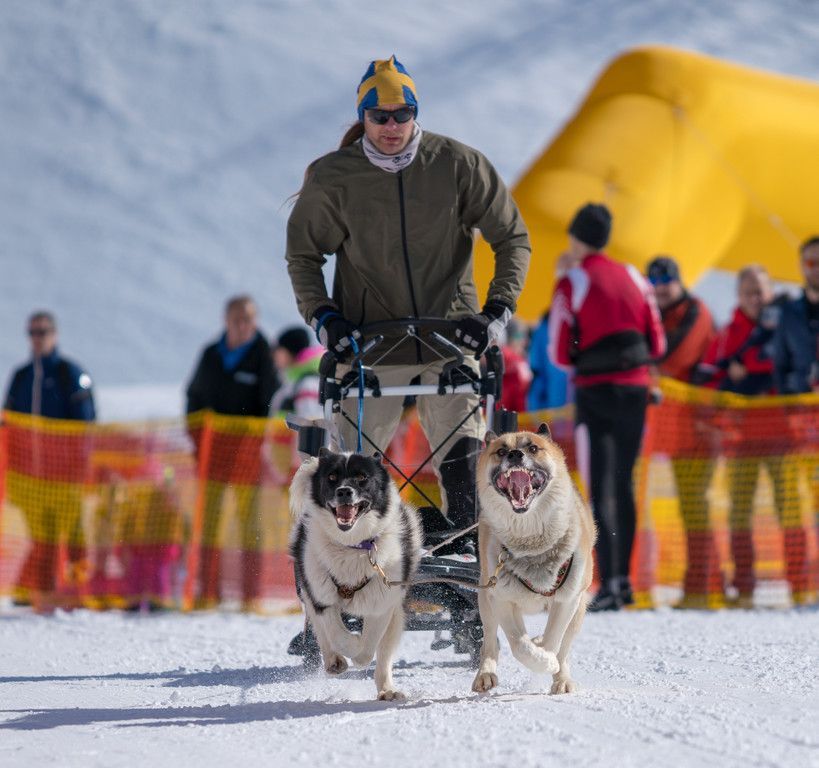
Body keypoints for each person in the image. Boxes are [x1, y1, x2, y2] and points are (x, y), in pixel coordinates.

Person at [285, 55, 530, 532]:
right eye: (379, 116)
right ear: (363, 117)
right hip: (368, 348)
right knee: (352, 478)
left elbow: (512, 237)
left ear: (416, 113)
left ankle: (461, 567)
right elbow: (303, 256)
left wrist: (494, 313)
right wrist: (325, 318)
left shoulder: (458, 165)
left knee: (463, 472)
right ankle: (356, 574)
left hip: (450, 343)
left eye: (402, 113)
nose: (391, 125)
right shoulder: (336, 178)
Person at [549, 203, 665, 611]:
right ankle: (624, 581)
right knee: (625, 482)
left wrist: (562, 281)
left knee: (600, 487)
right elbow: (657, 342)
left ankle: (608, 585)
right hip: (635, 389)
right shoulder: (634, 274)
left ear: (576, 237)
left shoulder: (573, 279)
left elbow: (560, 352)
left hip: (596, 393)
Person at [696, 265, 808, 606]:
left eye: (760, 291)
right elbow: (711, 378)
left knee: (789, 509)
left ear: (771, 292)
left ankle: (800, 582)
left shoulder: (788, 326)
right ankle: (744, 584)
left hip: (783, 435)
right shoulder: (729, 334)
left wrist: (751, 374)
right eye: (748, 292)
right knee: (739, 512)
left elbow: (792, 368)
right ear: (739, 296)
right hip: (742, 439)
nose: (755, 299)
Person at [185, 295, 277, 610]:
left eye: (248, 319)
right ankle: (207, 592)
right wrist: (196, 437)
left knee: (249, 522)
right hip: (211, 454)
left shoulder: (264, 357)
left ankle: (250, 595)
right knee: (208, 522)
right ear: (226, 321)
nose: (242, 325)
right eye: (236, 319)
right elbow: (193, 396)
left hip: (247, 455)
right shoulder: (211, 354)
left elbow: (271, 404)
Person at [3, 310, 96, 611]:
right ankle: (38, 594)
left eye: (43, 332)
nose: (37, 338)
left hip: (66, 476)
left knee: (75, 536)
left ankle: (81, 592)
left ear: (54, 334)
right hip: (32, 478)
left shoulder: (70, 373)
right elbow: (9, 425)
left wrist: (79, 466)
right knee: (41, 539)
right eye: (32, 332)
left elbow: (86, 425)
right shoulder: (22, 377)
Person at [645, 255, 721, 608]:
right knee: (681, 506)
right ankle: (700, 584)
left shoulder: (695, 312)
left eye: (666, 282)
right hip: (670, 428)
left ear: (678, 281)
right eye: (655, 283)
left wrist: (643, 367)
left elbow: (673, 361)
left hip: (699, 428)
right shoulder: (656, 315)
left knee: (695, 506)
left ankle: (703, 585)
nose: (661, 289)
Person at [269, 326, 324, 420]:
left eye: (279, 349)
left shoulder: (307, 384)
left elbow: (309, 425)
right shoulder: (293, 381)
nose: (274, 355)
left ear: (290, 351)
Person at [500, 318, 533, 414]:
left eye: (525, 336)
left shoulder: (522, 361)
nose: (524, 341)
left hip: (512, 420)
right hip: (510, 421)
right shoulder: (515, 362)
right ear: (508, 339)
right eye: (519, 336)